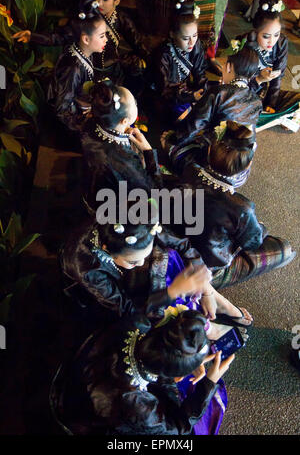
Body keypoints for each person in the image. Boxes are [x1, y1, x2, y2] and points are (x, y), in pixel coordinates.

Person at [61, 200, 253, 334]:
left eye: (145, 255)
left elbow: (182, 244)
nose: (142, 264)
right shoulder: (88, 268)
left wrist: (206, 291)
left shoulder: (138, 223)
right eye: (134, 262)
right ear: (106, 249)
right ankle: (207, 327)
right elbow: (128, 310)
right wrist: (173, 291)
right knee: (153, 310)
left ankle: (215, 300)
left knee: (170, 257)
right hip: (115, 296)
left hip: (128, 270)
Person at [50, 310, 234, 435]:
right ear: (173, 373)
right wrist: (209, 382)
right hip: (83, 416)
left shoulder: (136, 323)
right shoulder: (137, 406)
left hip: (76, 374)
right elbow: (177, 428)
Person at [162, 122, 296, 290]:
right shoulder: (241, 208)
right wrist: (259, 227)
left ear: (209, 152)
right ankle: (207, 284)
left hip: (173, 248)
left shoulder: (190, 170)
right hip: (203, 266)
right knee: (284, 249)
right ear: (247, 166)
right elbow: (252, 243)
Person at [12, 0, 148, 91]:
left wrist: (145, 60)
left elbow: (138, 43)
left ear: (116, 1)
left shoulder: (121, 19)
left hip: (112, 72)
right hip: (84, 70)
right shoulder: (87, 18)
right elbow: (61, 36)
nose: (98, 3)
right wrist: (33, 36)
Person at [80, 79, 163, 214]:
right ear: (125, 121)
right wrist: (148, 151)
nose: (137, 105)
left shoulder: (91, 122)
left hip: (90, 189)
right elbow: (154, 191)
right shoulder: (125, 161)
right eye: (135, 104)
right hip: (109, 210)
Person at [168, 46, 262, 148]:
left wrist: (172, 139)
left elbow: (196, 125)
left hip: (215, 151)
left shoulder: (218, 92)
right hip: (242, 155)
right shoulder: (258, 102)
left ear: (229, 67)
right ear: (252, 74)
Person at [47, 0, 107, 132]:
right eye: (102, 36)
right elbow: (62, 110)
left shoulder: (85, 53)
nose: (106, 40)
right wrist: (86, 128)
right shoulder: (72, 68)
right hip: (68, 126)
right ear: (86, 39)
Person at [239, 0, 300, 114]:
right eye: (266, 36)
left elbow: (278, 75)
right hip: (247, 88)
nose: (272, 41)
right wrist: (260, 79)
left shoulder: (281, 42)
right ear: (256, 32)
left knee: (295, 103)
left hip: (266, 89)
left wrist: (271, 103)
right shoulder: (245, 42)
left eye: (276, 34)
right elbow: (239, 83)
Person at [147, 0, 208, 122]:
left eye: (195, 35)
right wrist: (191, 97)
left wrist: (203, 91)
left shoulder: (196, 45)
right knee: (186, 120)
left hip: (186, 91)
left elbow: (200, 72)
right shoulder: (163, 54)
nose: (191, 42)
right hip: (166, 97)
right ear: (172, 34)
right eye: (185, 38)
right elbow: (164, 90)